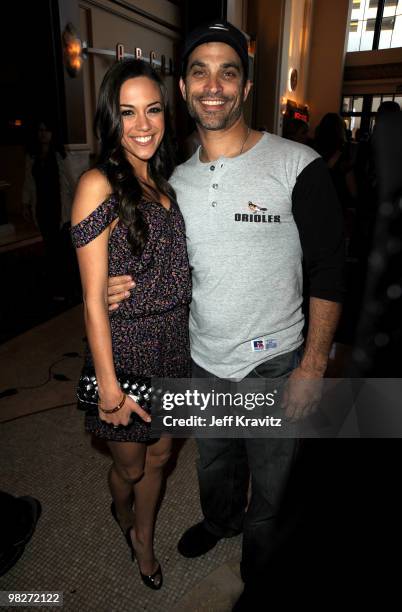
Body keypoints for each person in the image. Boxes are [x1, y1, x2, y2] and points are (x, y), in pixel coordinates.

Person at [106, 22, 344, 609]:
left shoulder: (298, 164)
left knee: (272, 486)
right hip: (203, 361)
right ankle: (218, 524)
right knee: (214, 469)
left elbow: (330, 270)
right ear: (184, 90)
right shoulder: (171, 185)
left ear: (245, 85)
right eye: (199, 72)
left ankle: (259, 555)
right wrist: (115, 288)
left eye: (227, 71)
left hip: (276, 364)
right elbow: (147, 258)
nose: (213, 85)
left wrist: (314, 364)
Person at [70, 59, 191, 590]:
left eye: (153, 110)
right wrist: (111, 390)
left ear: (166, 113)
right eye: (127, 112)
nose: (143, 124)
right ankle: (120, 509)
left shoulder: (165, 181)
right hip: (127, 353)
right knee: (132, 468)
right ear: (110, 119)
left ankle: (142, 536)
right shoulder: (98, 183)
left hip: (174, 347)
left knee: (162, 455)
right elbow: (93, 301)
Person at [23, 120, 76, 300]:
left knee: (63, 249)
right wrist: (25, 204)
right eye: (40, 130)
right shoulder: (32, 157)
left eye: (47, 130)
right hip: (43, 207)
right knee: (51, 248)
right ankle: (55, 287)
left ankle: (66, 288)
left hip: (60, 208)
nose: (43, 134)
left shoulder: (60, 155)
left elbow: (71, 182)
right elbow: (29, 183)